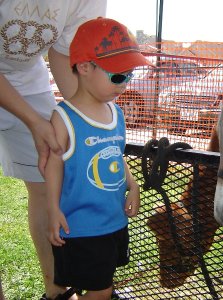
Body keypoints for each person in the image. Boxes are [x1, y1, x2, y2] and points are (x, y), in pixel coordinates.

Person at [0, 1, 107, 299]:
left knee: (48, 183)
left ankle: (56, 290)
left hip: (26, 82)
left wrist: (86, 118)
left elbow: (62, 51)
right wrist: (34, 121)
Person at [45, 17, 151, 300]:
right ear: (84, 67)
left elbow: (116, 155)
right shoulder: (64, 117)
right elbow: (53, 164)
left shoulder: (116, 114)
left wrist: (133, 184)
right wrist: (52, 208)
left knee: (101, 281)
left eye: (129, 75)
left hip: (114, 222)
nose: (125, 84)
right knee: (101, 290)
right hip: (81, 227)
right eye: (118, 76)